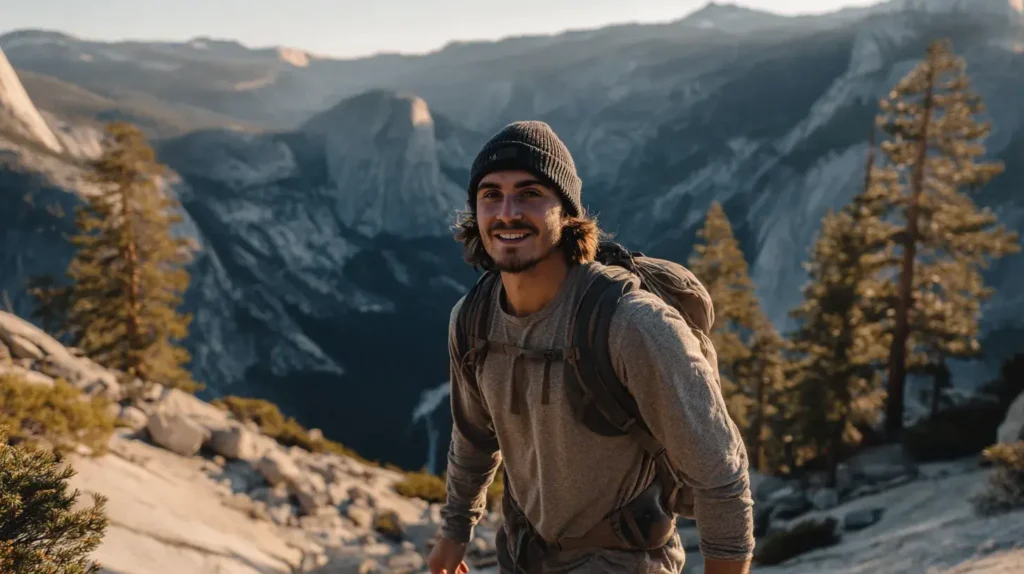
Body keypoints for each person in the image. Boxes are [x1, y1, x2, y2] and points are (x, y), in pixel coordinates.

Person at [427, 120, 754, 574]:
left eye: (529, 193)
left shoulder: (631, 324)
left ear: (567, 212)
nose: (507, 212)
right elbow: (475, 436)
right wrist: (454, 532)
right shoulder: (472, 318)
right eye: (490, 195)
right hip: (523, 556)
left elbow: (722, 475)